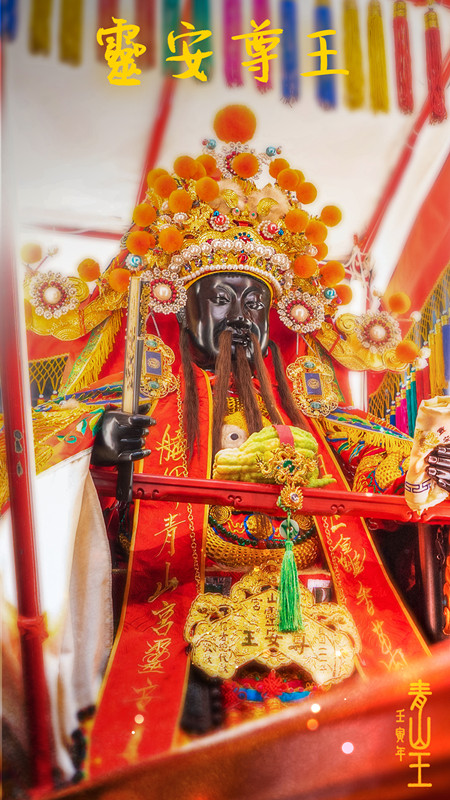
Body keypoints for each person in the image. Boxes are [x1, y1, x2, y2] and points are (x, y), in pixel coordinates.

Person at [2, 105, 448, 781]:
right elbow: (38, 438)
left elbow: (374, 453)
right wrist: (98, 443)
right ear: (185, 309)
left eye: (255, 301)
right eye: (222, 296)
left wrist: (425, 463)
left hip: (326, 605)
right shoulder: (145, 396)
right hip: (181, 602)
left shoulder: (307, 407)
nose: (242, 314)